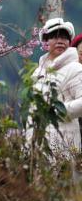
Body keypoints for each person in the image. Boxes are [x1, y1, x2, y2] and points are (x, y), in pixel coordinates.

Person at [30, 17, 82, 152]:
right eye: (54, 36)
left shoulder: (75, 69)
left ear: (69, 42)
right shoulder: (38, 73)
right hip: (38, 146)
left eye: (64, 38)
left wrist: (57, 111)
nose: (60, 41)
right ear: (46, 42)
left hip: (66, 143)